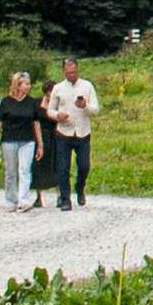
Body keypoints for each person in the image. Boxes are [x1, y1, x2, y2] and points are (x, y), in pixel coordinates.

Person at [43, 57, 99, 210]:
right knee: (63, 167)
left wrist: (85, 105)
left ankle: (79, 188)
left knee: (84, 166)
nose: (71, 75)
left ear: (77, 69)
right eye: (68, 72)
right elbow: (50, 110)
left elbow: (95, 109)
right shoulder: (58, 88)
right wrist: (57, 115)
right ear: (63, 71)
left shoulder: (87, 86)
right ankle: (65, 199)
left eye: (73, 71)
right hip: (63, 132)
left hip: (82, 132)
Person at [0, 71, 45, 211]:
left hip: (28, 140)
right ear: (17, 85)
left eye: (29, 84)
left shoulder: (32, 102)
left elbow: (36, 124)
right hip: (9, 140)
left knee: (24, 170)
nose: (28, 86)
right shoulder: (5, 102)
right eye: (25, 84)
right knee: (11, 171)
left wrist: (40, 144)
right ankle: (11, 201)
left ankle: (23, 200)